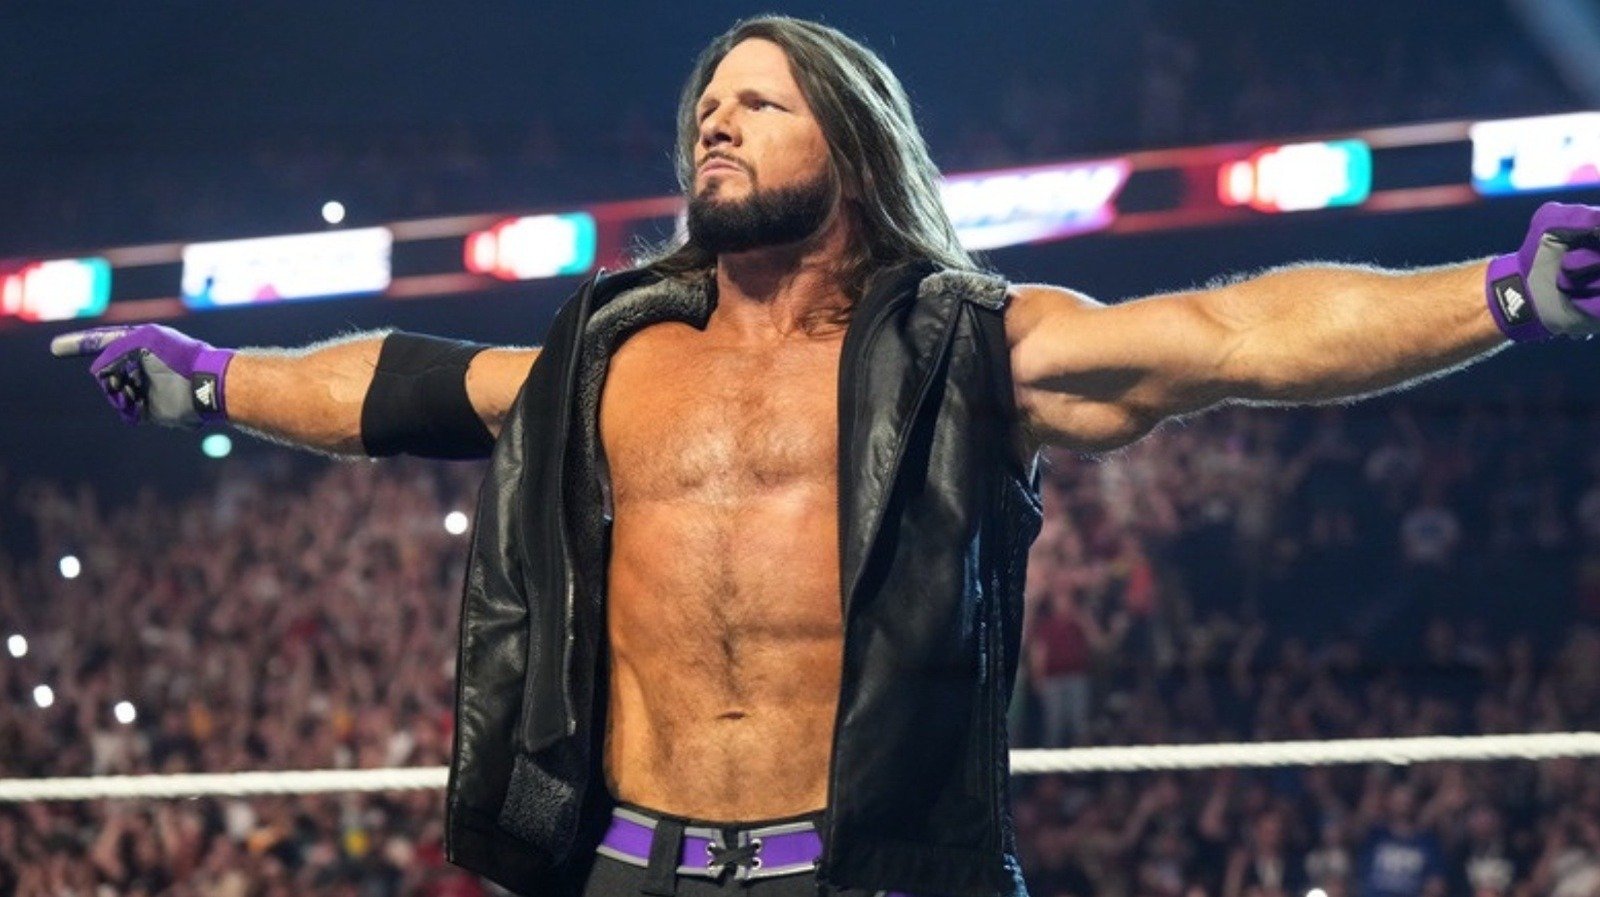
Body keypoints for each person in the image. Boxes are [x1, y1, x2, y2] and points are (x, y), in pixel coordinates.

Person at [54, 15, 1600, 897]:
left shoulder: (964, 349)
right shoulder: (613, 355)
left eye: (756, 102)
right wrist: (214, 383)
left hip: (863, 876)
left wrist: (1498, 294)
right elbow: (401, 387)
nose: (711, 127)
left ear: (848, 141)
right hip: (626, 868)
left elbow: (1239, 334)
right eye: (705, 108)